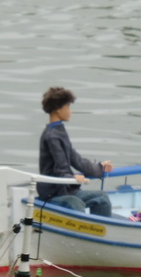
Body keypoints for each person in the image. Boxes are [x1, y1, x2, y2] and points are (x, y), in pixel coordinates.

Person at [37, 87, 113, 217]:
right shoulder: (51, 136)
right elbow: (60, 168)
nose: (70, 111)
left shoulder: (60, 131)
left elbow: (76, 159)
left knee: (102, 198)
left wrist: (99, 168)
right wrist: (71, 178)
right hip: (53, 192)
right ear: (58, 109)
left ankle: (102, 231)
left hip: (66, 189)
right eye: (67, 107)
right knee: (75, 203)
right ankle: (83, 233)